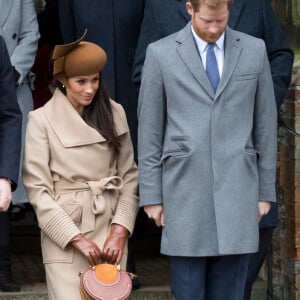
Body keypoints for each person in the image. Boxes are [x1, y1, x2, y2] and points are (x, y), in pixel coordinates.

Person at [133, 0, 294, 298]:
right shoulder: (160, 54)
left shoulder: (254, 49)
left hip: (239, 192)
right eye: (207, 21)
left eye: (221, 21)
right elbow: (150, 132)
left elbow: (264, 127)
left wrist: (264, 193)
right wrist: (152, 196)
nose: (214, 29)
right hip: (183, 193)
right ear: (190, 8)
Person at [22, 31, 139, 300]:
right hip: (66, 235)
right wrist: (75, 238)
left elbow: (129, 177)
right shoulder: (41, 120)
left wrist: (120, 230)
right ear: (62, 81)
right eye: (80, 81)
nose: (90, 89)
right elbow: (38, 190)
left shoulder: (115, 112)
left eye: (95, 80)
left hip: (110, 230)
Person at [57, 1, 145, 287]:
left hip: (134, 87)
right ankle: (91, 264)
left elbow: (149, 32)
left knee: (128, 171)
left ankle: (126, 261)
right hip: (88, 90)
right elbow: (67, 41)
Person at [0, 0, 39, 292]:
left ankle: (3, 266)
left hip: (11, 84)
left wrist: (12, 71)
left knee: (4, 185)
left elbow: (30, 34)